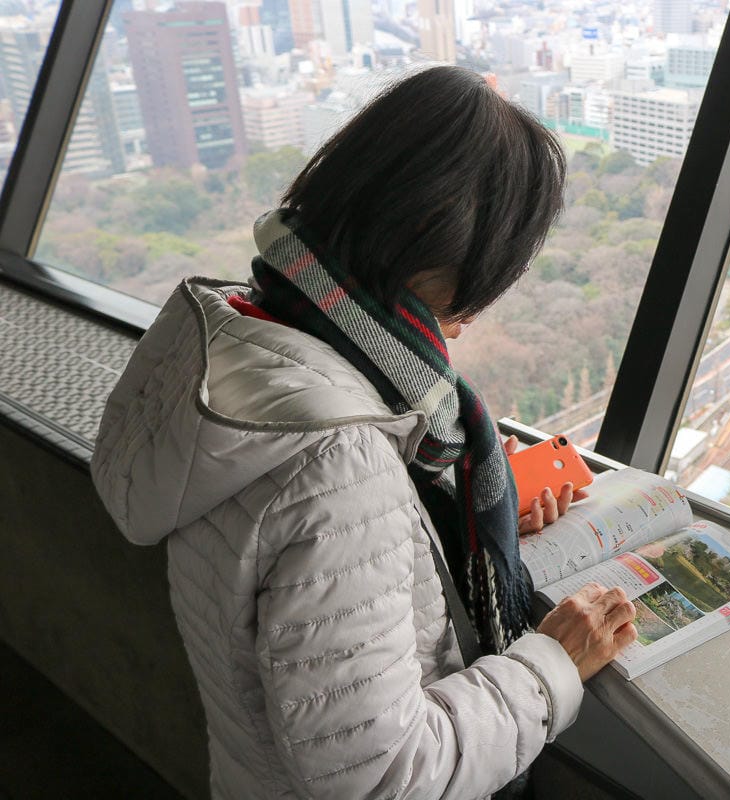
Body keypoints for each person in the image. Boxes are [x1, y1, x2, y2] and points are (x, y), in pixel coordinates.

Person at [90, 65, 638, 799]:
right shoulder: (337, 464)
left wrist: (443, 521)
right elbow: (385, 777)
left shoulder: (242, 343)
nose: (477, 314)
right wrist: (553, 665)